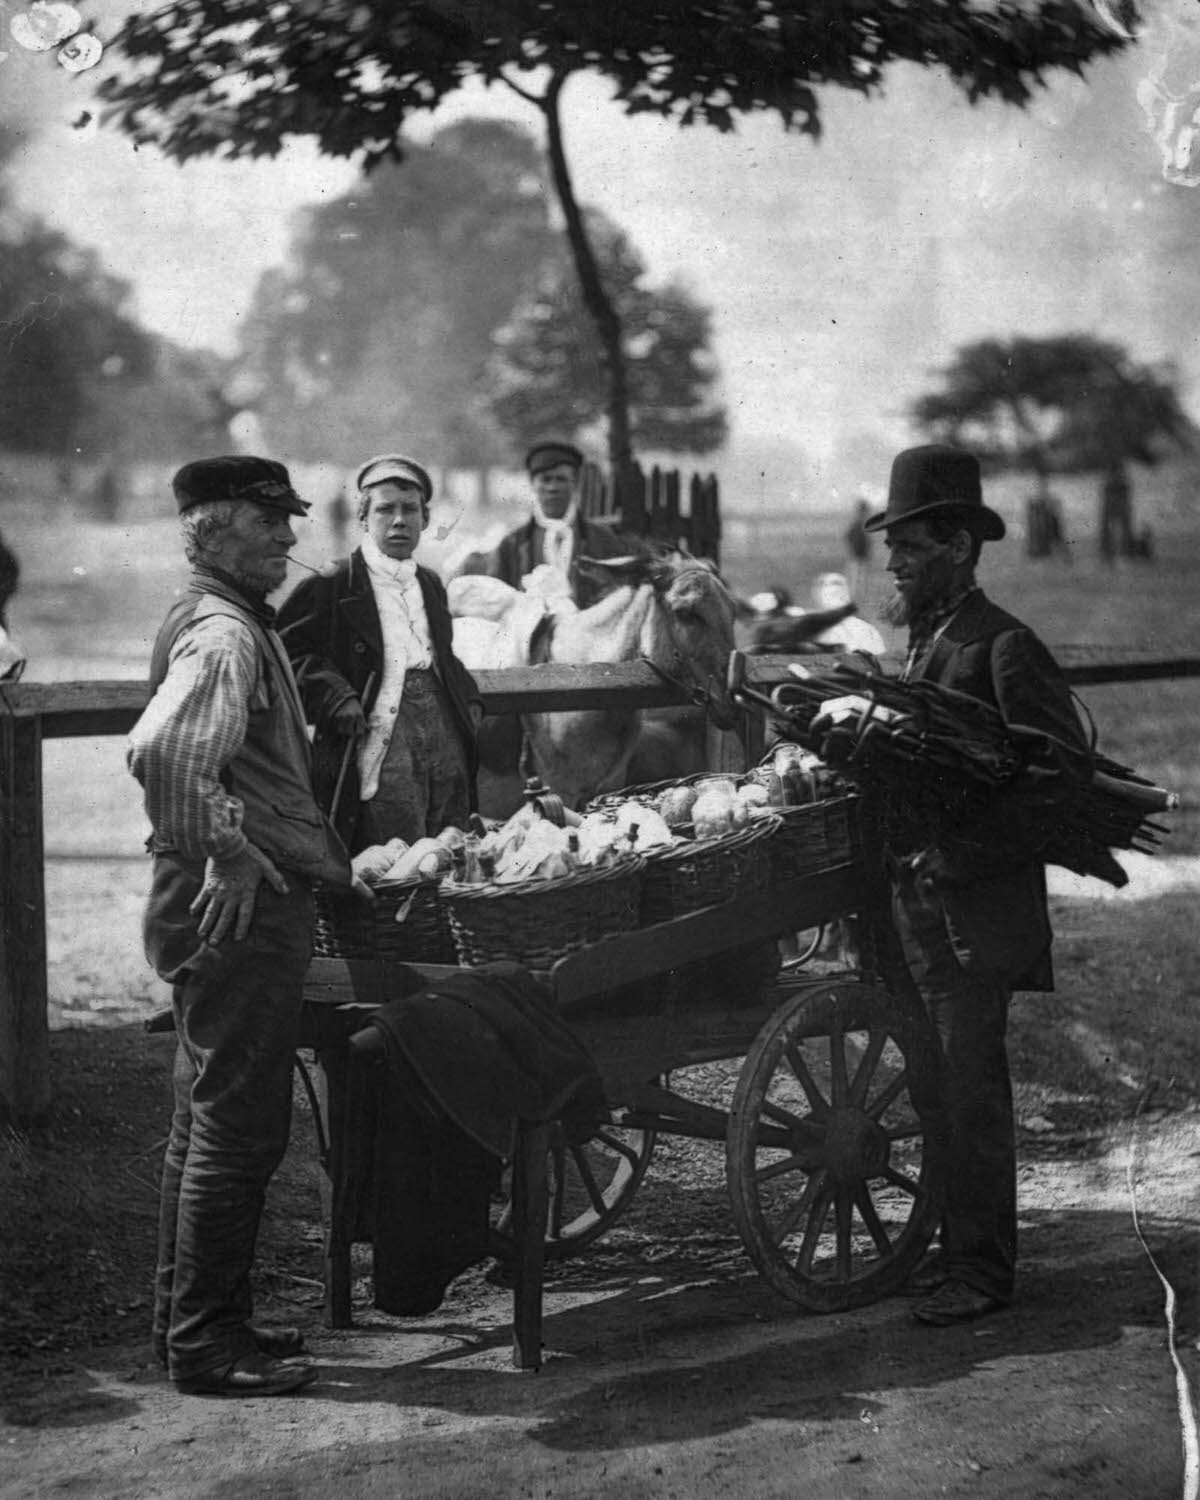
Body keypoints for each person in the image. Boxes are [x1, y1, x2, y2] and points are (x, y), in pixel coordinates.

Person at [127, 455, 355, 1397]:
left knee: (201, 1119)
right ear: (215, 528)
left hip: (215, 906)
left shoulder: (215, 616)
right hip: (236, 908)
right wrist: (226, 850)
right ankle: (207, 1347)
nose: (290, 539)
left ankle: (190, 1326)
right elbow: (166, 752)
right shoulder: (224, 634)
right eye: (272, 523)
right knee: (236, 1126)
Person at [863, 444, 1088, 1327]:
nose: (893, 562)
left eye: (911, 545)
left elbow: (1058, 787)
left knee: (970, 1091)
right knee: (935, 1089)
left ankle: (984, 1271)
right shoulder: (929, 644)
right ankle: (958, 1254)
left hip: (969, 911)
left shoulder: (1004, 648)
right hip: (919, 914)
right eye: (894, 545)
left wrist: (957, 857)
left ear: (958, 547)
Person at [276, 454, 484, 854]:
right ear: (362, 519)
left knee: (449, 842)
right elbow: (286, 653)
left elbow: (442, 656)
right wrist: (335, 695)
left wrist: (469, 699)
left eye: (410, 510)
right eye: (386, 509)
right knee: (393, 853)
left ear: (425, 520)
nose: (399, 521)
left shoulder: (430, 583)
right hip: (378, 736)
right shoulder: (335, 582)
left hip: (442, 733)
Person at [450, 440, 632, 609]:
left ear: (575, 483)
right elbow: (497, 600)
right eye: (546, 479)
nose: (552, 488)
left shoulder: (604, 541)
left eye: (561, 479)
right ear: (533, 484)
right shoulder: (512, 545)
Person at [843, 495, 873, 600]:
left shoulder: (858, 524)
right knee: (857, 576)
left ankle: (857, 596)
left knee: (858, 576)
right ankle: (855, 597)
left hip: (859, 554)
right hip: (857, 554)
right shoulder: (858, 524)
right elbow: (848, 536)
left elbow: (848, 536)